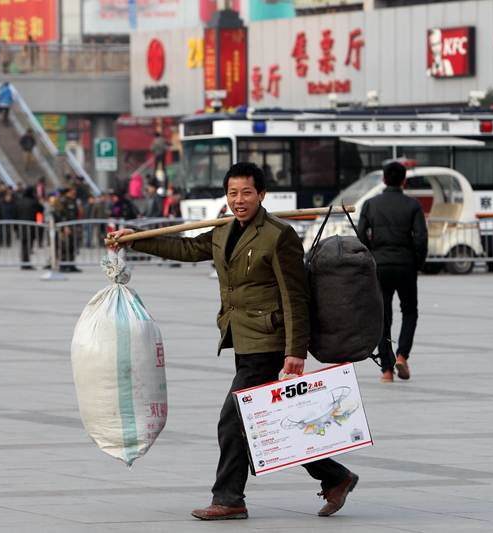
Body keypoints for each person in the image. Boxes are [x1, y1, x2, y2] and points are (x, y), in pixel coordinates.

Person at [108, 161, 359, 520]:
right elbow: (185, 249)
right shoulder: (224, 231)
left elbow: (295, 296)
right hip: (242, 339)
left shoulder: (278, 235)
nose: (238, 200)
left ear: (261, 195)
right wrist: (136, 240)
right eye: (232, 193)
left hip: (269, 342)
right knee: (263, 419)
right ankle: (336, 476)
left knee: (232, 420)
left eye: (246, 192)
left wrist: (295, 352)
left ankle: (229, 499)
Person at [356, 160, 428, 382]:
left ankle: (386, 370)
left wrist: (370, 255)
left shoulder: (370, 204)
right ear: (404, 181)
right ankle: (402, 355)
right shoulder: (413, 205)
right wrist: (418, 262)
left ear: (384, 180)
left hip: (380, 267)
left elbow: (360, 234)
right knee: (410, 311)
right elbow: (422, 239)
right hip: (406, 266)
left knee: (383, 317)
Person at [54, 187, 81, 273]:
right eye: (72, 192)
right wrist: (65, 225)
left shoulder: (74, 201)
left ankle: (71, 264)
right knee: (64, 245)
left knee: (72, 246)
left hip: (73, 226)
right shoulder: (63, 201)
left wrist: (78, 226)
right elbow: (61, 214)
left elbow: (76, 214)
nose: (74, 194)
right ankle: (63, 264)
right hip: (65, 227)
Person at [16, 186, 42, 270]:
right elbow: (41, 209)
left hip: (21, 227)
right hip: (31, 227)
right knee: (29, 244)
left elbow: (14, 215)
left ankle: (24, 261)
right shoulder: (33, 202)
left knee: (23, 244)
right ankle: (26, 262)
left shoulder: (19, 202)